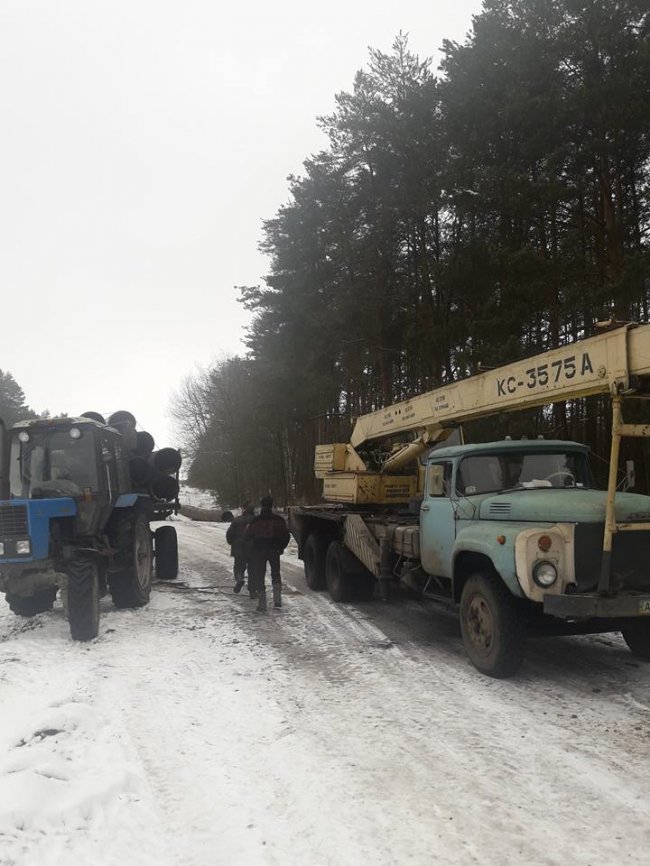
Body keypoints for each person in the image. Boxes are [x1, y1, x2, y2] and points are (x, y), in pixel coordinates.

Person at [244, 495, 290, 612]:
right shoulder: (279, 520)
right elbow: (286, 536)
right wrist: (280, 547)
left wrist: (254, 546)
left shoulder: (255, 521)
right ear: (272, 505)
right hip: (274, 550)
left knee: (260, 575)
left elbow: (247, 536)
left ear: (261, 505)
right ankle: (277, 600)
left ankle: (262, 604)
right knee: (276, 574)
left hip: (259, 551)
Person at [225, 502, 256, 594]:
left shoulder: (237, 520)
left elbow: (229, 534)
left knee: (238, 567)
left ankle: (239, 580)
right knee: (253, 569)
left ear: (243, 509)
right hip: (253, 548)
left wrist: (232, 543)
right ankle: (252, 590)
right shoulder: (257, 521)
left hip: (239, 548)